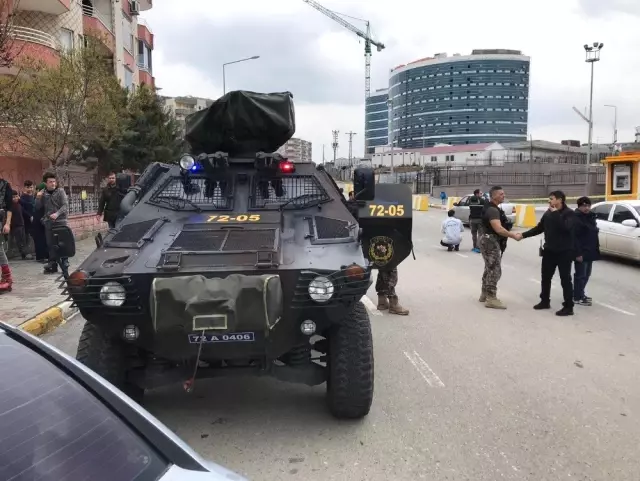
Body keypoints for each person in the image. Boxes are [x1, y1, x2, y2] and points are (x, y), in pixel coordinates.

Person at [521, 190, 576, 316]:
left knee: (565, 279)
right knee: (546, 278)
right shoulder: (548, 213)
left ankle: (569, 306)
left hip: (564, 252)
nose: (549, 201)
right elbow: (539, 228)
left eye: (551, 198)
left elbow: (566, 228)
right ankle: (545, 301)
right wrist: (522, 235)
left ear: (560, 200)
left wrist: (556, 213)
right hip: (549, 251)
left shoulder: (569, 214)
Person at [479, 185, 521, 309]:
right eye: (501, 194)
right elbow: (498, 229)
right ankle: (491, 298)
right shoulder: (492, 210)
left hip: (486, 239)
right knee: (495, 270)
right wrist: (513, 235)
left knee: (489, 267)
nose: (503, 196)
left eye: (503, 193)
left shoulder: (492, 208)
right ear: (494, 196)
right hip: (490, 241)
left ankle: (484, 294)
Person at [38, 173, 70, 277]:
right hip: (49, 223)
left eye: (54, 181)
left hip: (61, 221)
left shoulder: (60, 191)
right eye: (50, 182)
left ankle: (65, 262)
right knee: (51, 244)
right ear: (45, 183)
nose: (53, 183)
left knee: (63, 243)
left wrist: (57, 214)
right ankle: (53, 263)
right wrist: (38, 198)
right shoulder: (43, 194)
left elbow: (65, 205)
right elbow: (38, 207)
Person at [572, 196, 599, 306]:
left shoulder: (591, 217)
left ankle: (580, 293)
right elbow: (574, 238)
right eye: (584, 206)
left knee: (587, 275)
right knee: (580, 275)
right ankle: (577, 297)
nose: (587, 208)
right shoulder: (576, 218)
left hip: (590, 250)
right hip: (581, 252)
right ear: (579, 207)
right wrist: (577, 253)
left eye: (588, 205)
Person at [0, 175, 14, 293]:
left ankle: (7, 278)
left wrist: (7, 224)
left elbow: (10, 207)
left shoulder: (5, 185)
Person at [31, 182, 49, 263]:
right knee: (39, 239)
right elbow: (37, 207)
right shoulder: (37, 197)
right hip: (37, 221)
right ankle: (41, 257)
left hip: (44, 220)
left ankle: (46, 255)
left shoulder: (46, 197)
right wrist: (38, 197)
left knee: (45, 239)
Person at [9, 190, 29, 260]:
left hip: (22, 225)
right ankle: (23, 254)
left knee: (23, 240)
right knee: (19, 241)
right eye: (13, 197)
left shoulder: (19, 205)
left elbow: (24, 212)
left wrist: (31, 216)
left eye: (16, 196)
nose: (15, 198)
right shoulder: (10, 206)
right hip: (15, 226)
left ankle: (24, 253)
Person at [468, 188, 485, 253]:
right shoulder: (482, 200)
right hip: (480, 220)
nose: (482, 194)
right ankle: (478, 247)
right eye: (480, 193)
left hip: (472, 219)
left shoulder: (470, 200)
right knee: (480, 234)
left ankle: (474, 247)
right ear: (477, 194)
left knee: (474, 234)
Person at [20, 180, 35, 249]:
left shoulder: (33, 196)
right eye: (28, 187)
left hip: (34, 218)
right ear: (25, 187)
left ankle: (33, 250)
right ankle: (27, 251)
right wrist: (30, 216)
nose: (30, 189)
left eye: (31, 187)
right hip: (26, 219)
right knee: (27, 235)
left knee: (34, 234)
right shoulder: (22, 197)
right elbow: (22, 210)